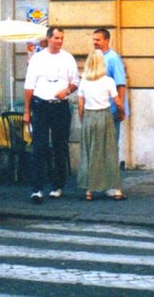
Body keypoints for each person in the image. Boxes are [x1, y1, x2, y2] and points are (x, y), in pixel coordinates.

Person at [23, 26, 78, 203]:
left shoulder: (68, 58)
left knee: (59, 146)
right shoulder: (37, 59)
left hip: (60, 106)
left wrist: (67, 90)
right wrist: (26, 111)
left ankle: (57, 185)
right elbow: (29, 86)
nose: (59, 41)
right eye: (56, 38)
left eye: (62, 38)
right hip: (41, 105)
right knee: (39, 147)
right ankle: (37, 188)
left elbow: (75, 82)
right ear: (48, 39)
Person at [76, 49, 125, 201]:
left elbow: (80, 105)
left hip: (89, 117)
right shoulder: (108, 81)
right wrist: (122, 112)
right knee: (109, 152)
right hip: (104, 116)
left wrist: (83, 119)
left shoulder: (84, 81)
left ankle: (89, 190)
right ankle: (116, 190)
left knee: (89, 153)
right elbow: (117, 102)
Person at [92, 28, 128, 157]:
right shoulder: (95, 57)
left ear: (107, 40)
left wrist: (120, 108)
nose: (95, 42)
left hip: (111, 109)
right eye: (94, 39)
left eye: (98, 39)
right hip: (98, 109)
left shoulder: (113, 58)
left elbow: (121, 84)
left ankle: (110, 174)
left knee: (110, 145)